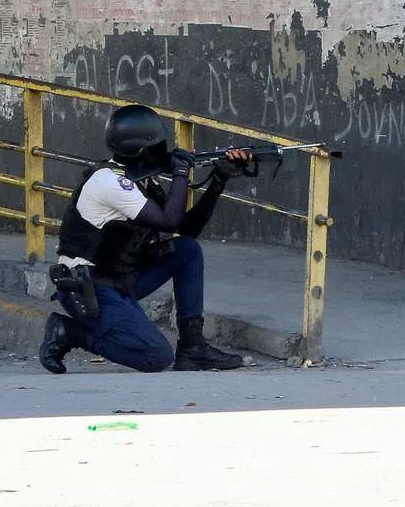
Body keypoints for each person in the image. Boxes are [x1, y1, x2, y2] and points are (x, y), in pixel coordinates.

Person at [39, 104, 252, 374]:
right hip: (89, 288)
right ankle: (69, 332)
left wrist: (218, 180)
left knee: (186, 250)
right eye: (158, 144)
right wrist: (180, 173)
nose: (164, 149)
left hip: (120, 279)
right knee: (157, 357)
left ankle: (192, 347)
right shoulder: (110, 182)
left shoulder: (141, 181)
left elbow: (185, 229)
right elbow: (169, 221)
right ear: (143, 149)